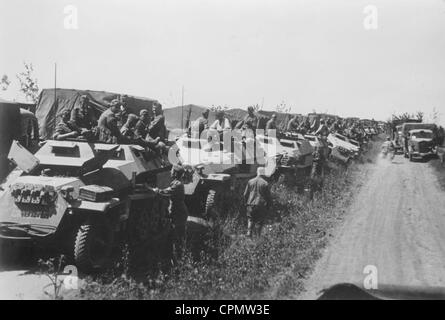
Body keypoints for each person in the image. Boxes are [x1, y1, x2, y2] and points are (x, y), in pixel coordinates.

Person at [153, 165, 189, 259]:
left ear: (175, 173)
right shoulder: (177, 183)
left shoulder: (177, 184)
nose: (170, 172)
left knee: (178, 236)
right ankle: (176, 257)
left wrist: (154, 190)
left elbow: (165, 192)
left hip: (179, 212)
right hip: (178, 211)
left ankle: (179, 258)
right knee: (176, 235)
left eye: (172, 171)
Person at [243, 167, 272, 237]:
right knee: (260, 221)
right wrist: (268, 205)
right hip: (260, 205)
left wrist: (245, 203)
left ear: (257, 172)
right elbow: (268, 196)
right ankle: (258, 237)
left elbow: (245, 194)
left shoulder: (250, 181)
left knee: (250, 219)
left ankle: (249, 233)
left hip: (250, 204)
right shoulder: (265, 183)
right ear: (264, 174)